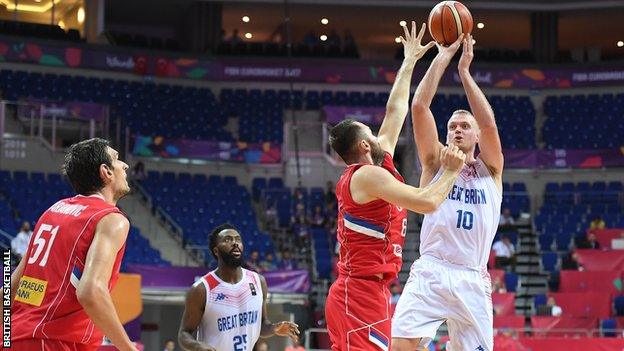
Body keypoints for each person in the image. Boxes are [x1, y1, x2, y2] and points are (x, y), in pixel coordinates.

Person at [324, 22, 465, 351]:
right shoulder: (365, 176)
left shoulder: (377, 164)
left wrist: (409, 61)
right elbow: (426, 202)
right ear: (363, 147)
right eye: (371, 133)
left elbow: (396, 108)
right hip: (355, 292)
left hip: (373, 290)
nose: (379, 134)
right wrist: (450, 171)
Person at [392, 33, 504, 351]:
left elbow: (490, 125)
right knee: (400, 346)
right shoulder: (435, 160)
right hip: (433, 270)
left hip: (472, 275)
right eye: (452, 126)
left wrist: (465, 73)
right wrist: (443, 56)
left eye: (464, 126)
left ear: (477, 135)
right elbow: (419, 107)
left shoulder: (491, 170)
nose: (457, 129)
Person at [9, 138, 137, 351]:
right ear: (106, 171)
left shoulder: (52, 211)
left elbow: (12, 285)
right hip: (53, 342)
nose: (125, 165)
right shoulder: (111, 219)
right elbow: (90, 291)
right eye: (117, 159)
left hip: (16, 336)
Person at [178, 224, 299, 351]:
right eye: (228, 240)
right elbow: (184, 334)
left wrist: (274, 328)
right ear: (216, 251)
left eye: (238, 239)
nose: (235, 243)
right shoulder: (202, 289)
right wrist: (197, 346)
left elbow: (262, 325)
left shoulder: (258, 281)